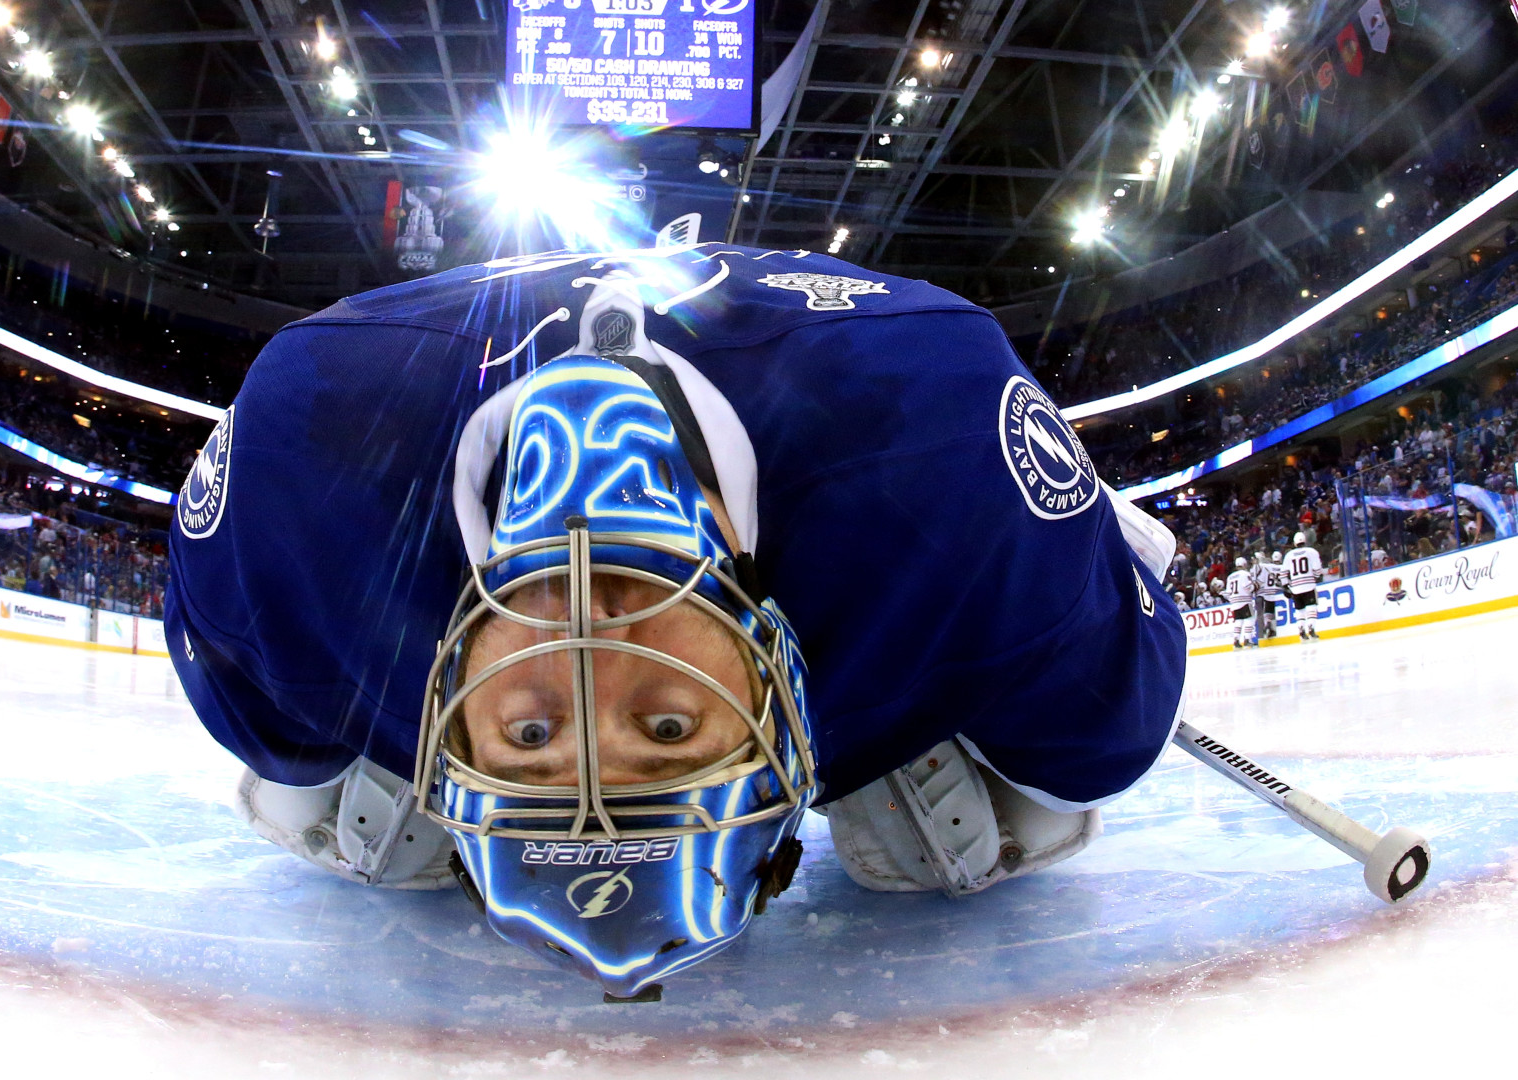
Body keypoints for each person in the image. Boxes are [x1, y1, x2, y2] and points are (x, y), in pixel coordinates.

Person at [165, 244, 1187, 1001]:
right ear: (786, 721)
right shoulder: (944, 457)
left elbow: (267, 702)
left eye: (529, 738)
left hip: (387, 496)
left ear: (446, 738)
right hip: (874, 509)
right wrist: (1089, 556)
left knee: (331, 810)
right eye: (667, 732)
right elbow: (1107, 702)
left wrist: (355, 729)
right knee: (1003, 817)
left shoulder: (299, 483)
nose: (592, 655)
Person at [1282, 533, 1324, 640]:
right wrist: (1315, 576)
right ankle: (1311, 629)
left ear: (1295, 543)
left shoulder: (1288, 555)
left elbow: (1284, 573)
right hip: (1309, 584)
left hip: (1295, 587)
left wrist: (1285, 585)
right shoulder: (1312, 552)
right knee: (1311, 608)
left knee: (1299, 610)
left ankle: (1301, 630)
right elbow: (1317, 570)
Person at [1226, 557, 1256, 648]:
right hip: (1245, 601)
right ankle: (1247, 639)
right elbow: (1248, 587)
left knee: (1238, 621)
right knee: (1249, 619)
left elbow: (1228, 592)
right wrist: (1255, 587)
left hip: (1234, 602)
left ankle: (1236, 640)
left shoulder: (1230, 576)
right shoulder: (1245, 574)